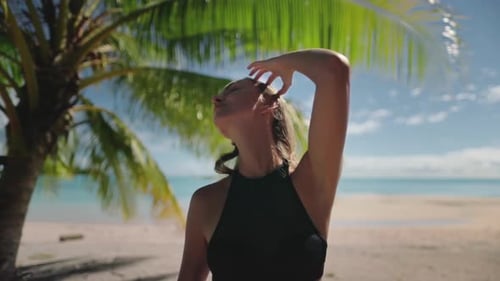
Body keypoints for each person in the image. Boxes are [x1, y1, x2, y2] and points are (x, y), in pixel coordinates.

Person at [177, 49, 350, 281]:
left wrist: (285, 63)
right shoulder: (205, 202)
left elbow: (334, 69)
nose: (216, 99)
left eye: (234, 90)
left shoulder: (310, 183)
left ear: (270, 105)